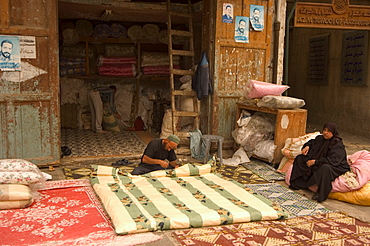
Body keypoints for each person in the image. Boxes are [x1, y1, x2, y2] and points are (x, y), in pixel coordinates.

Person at [289, 122, 350, 203]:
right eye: (324, 130)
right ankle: (298, 183)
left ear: (333, 132)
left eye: (328, 131)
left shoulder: (337, 144)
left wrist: (315, 162)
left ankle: (321, 193)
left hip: (334, 165)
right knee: (300, 158)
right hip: (318, 161)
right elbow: (311, 142)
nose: (325, 132)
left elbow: (332, 160)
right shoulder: (320, 138)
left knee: (324, 168)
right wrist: (307, 146)